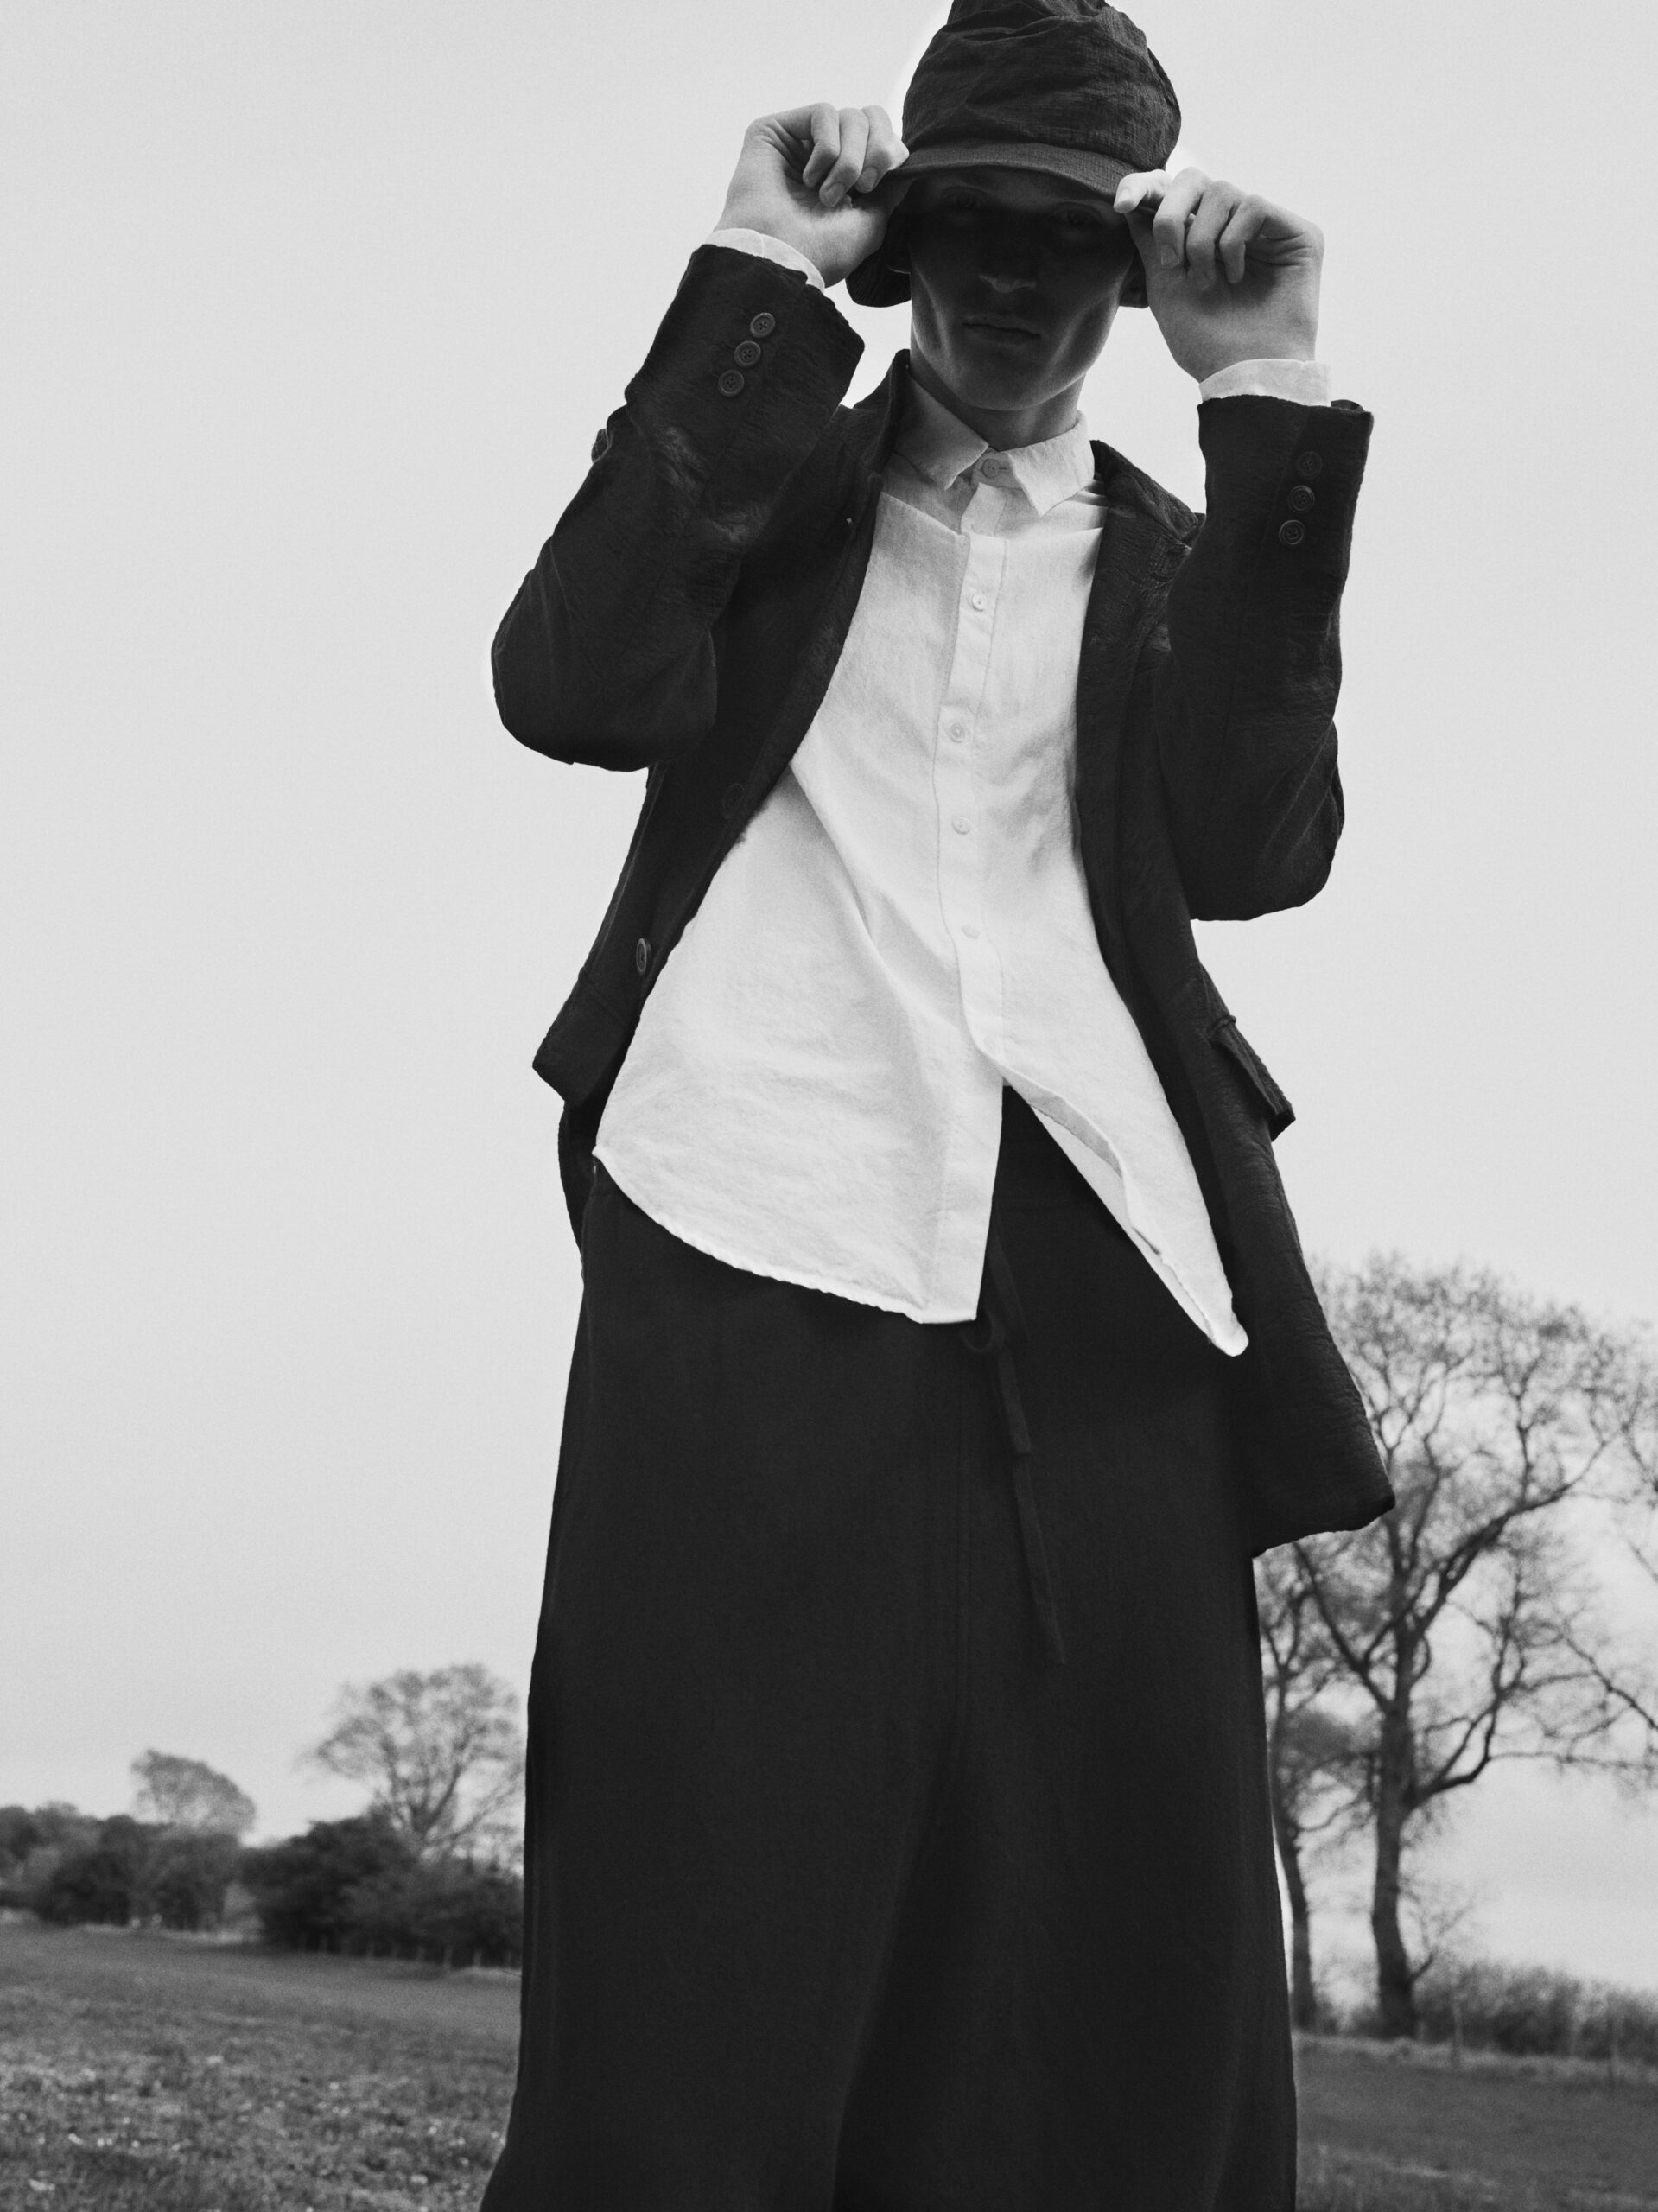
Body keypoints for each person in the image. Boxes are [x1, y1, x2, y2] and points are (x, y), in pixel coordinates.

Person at [480, 3, 1393, 2204]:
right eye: (972, 224)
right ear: (906, 238)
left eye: (1069, 241)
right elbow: (573, 683)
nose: (1010, 281)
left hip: (1109, 1295)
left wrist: (1270, 393)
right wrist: (753, 273)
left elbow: (1258, 847)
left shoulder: (1174, 556)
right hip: (752, 1218)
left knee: (1106, 1950)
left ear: (1133, 270)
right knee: (702, 1911)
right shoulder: (763, 481)